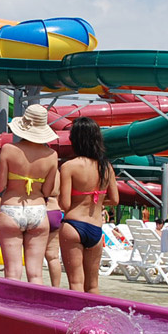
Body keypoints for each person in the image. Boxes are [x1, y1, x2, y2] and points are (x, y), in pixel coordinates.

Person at [0, 104, 59, 284]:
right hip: (38, 209)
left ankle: (10, 311)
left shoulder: (9, 149)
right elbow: (48, 191)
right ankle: (34, 311)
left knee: (12, 273)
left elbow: (0, 185)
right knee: (36, 274)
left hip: (12, 208)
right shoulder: (51, 155)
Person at [59, 117, 119, 293]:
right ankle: (93, 319)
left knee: (76, 284)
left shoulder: (69, 166)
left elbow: (65, 203)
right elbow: (115, 200)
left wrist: (79, 200)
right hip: (95, 227)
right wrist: (99, 201)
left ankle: (75, 319)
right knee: (93, 285)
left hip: (73, 225)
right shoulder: (106, 167)